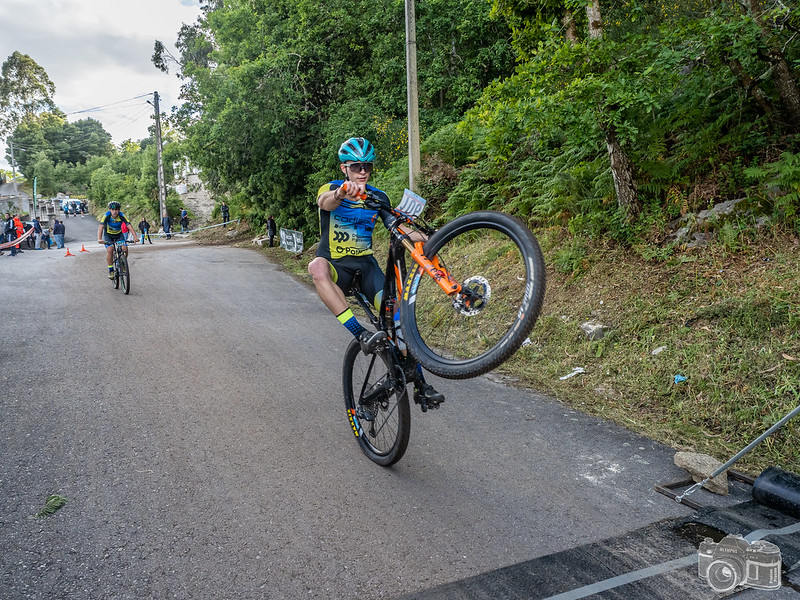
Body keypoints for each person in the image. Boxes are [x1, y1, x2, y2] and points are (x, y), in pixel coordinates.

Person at [307, 137, 443, 406]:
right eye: (356, 166)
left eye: (367, 166)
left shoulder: (378, 196)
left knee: (399, 316)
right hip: (336, 267)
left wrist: (432, 236)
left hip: (367, 267)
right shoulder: (333, 188)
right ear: (344, 167)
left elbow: (398, 228)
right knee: (316, 267)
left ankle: (420, 383)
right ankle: (360, 333)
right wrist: (341, 193)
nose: (362, 171)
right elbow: (325, 203)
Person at [97, 201, 138, 279]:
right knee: (110, 249)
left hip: (119, 235)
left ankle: (122, 264)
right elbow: (101, 226)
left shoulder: (122, 216)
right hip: (108, 235)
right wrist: (99, 238)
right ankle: (111, 270)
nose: (114, 211)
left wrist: (135, 237)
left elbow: (129, 225)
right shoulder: (107, 216)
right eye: (112, 209)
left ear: (119, 210)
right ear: (110, 210)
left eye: (116, 209)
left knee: (125, 248)